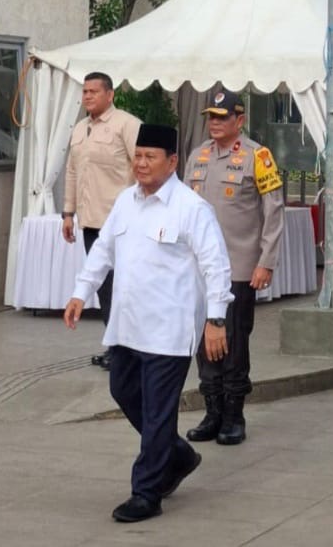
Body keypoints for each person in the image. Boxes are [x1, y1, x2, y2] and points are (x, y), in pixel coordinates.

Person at [63, 124, 234, 523]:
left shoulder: (191, 209)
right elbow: (103, 249)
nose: (140, 163)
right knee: (123, 391)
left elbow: (216, 267)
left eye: (149, 157)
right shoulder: (125, 201)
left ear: (172, 161)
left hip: (169, 329)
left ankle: (146, 492)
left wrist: (216, 320)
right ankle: (177, 455)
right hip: (127, 323)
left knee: (158, 411)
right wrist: (80, 292)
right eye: (137, 156)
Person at [183, 90, 284, 446]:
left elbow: (273, 212)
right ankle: (211, 411)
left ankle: (233, 414)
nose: (214, 122)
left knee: (234, 342)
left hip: (238, 267)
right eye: (211, 116)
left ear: (239, 121)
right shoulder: (198, 156)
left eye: (222, 117)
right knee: (202, 341)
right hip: (199, 269)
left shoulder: (258, 157)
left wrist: (265, 262)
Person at [61, 72, 141, 371]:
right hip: (91, 222)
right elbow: (71, 172)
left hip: (122, 223)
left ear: (110, 95)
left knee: (125, 286)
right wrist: (68, 213)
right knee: (103, 287)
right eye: (85, 92)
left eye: (94, 91)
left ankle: (130, 348)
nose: (88, 96)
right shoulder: (80, 129)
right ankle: (115, 346)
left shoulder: (127, 125)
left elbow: (143, 165)